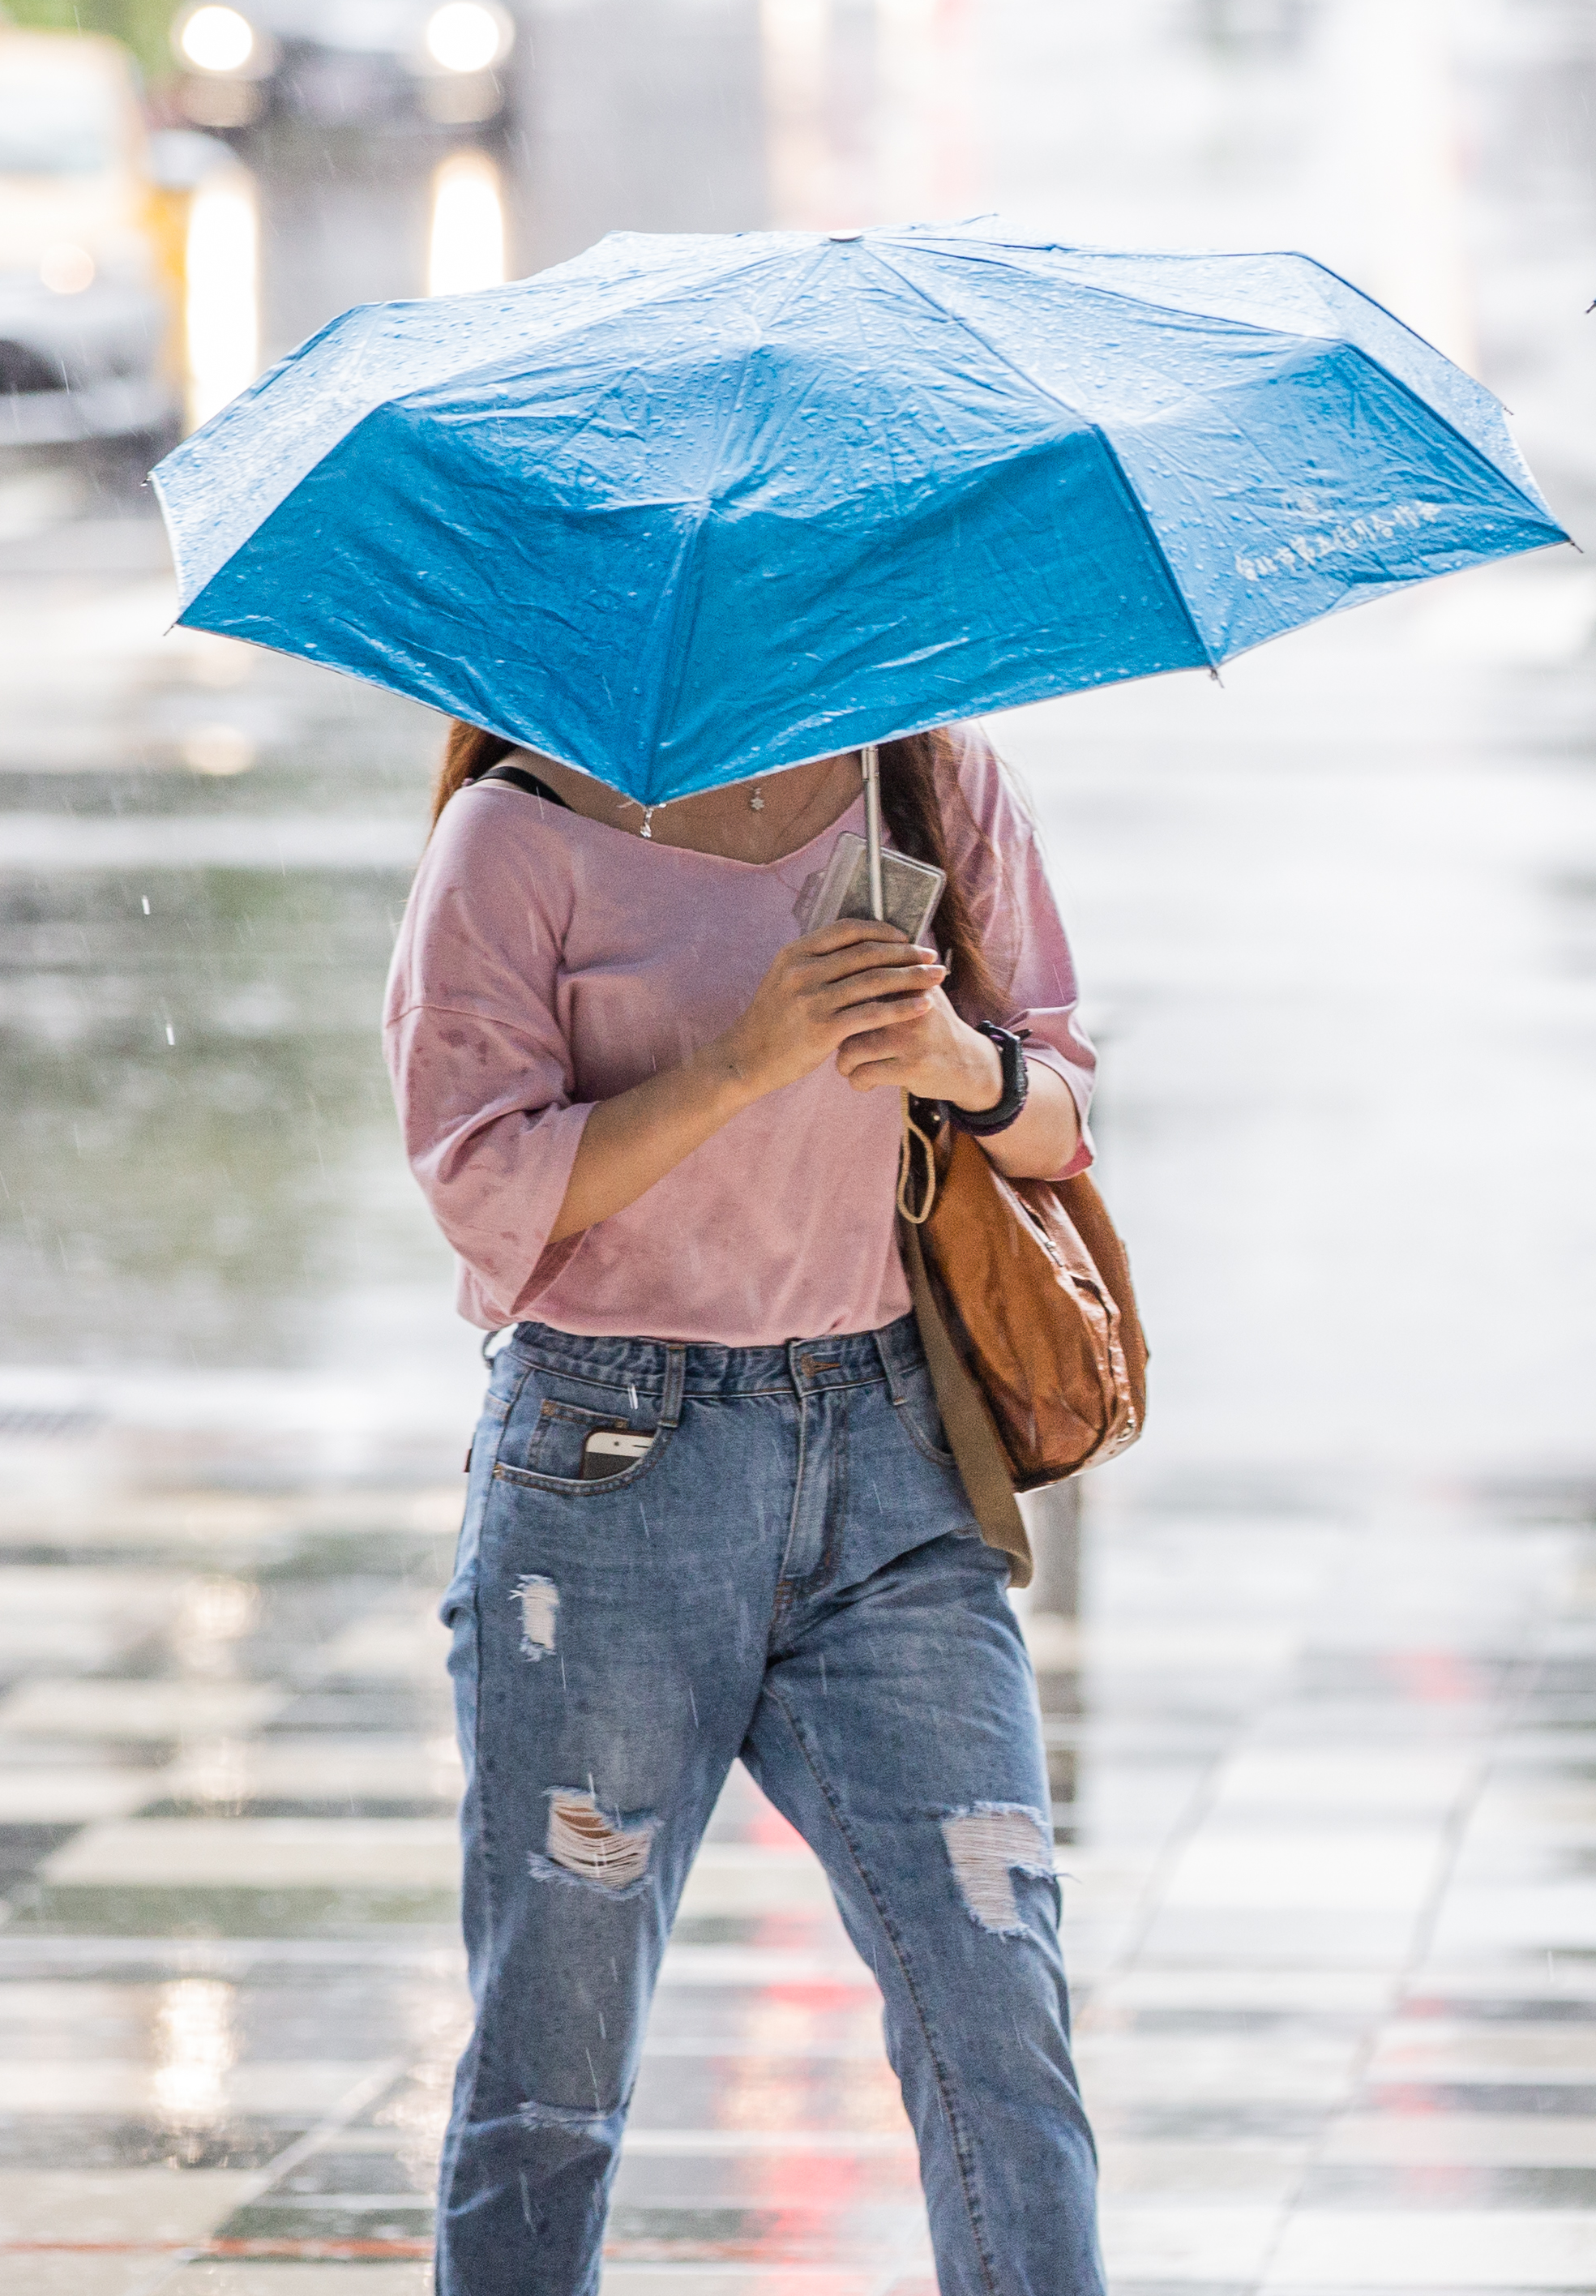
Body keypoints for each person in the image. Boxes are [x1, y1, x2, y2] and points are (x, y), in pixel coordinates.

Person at [387, 720, 1107, 2296]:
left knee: (1002, 2020)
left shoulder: (924, 779)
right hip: (605, 1486)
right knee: (550, 2085)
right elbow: (481, 1187)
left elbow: (1061, 1112)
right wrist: (747, 1059)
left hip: (894, 1467)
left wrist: (958, 1066)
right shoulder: (517, 838)